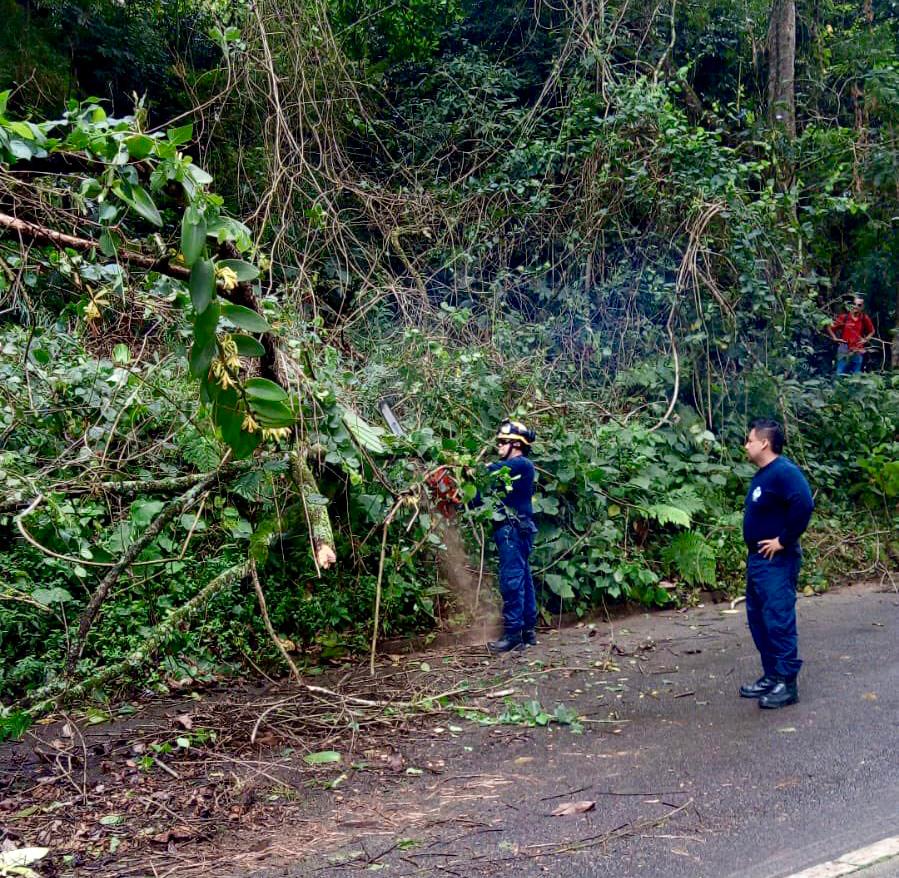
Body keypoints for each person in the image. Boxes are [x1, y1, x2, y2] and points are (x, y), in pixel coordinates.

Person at [740, 418, 814, 709]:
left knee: (778, 619)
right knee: (759, 619)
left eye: (749, 439)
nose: (746, 445)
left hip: (777, 561)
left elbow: (804, 504)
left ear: (764, 443)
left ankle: (787, 683)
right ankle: (772, 676)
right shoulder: (763, 475)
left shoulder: (784, 472)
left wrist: (783, 540)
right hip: (758, 561)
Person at [476, 420, 539, 654]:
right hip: (513, 530)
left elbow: (488, 472)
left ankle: (513, 634)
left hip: (514, 530)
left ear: (516, 444)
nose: (499, 446)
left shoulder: (521, 465)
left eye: (503, 442)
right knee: (523, 579)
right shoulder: (508, 473)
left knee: (512, 581)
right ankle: (527, 631)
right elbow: (484, 495)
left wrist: (469, 470)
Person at [828, 295, 875, 376]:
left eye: (859, 305)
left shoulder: (864, 318)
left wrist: (866, 339)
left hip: (858, 349)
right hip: (844, 348)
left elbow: (872, 331)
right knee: (840, 373)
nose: (856, 306)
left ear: (862, 307)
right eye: (854, 304)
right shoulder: (844, 317)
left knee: (855, 375)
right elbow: (830, 327)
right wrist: (835, 338)